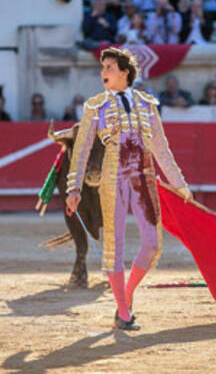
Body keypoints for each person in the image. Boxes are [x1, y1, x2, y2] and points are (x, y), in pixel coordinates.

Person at [65, 47, 193, 330]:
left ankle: (128, 294)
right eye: (103, 68)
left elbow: (161, 148)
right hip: (112, 181)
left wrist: (179, 183)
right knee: (114, 247)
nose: (104, 73)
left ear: (125, 72)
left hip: (144, 179)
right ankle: (123, 312)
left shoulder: (148, 104)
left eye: (110, 67)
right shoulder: (95, 106)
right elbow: (82, 150)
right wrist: (73, 188)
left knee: (152, 244)